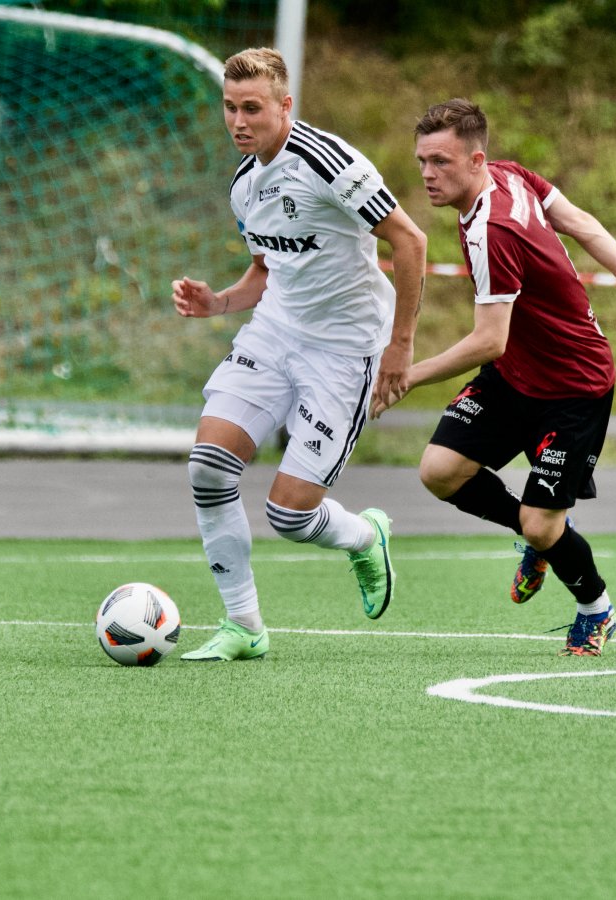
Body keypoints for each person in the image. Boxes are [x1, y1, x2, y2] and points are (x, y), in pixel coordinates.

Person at [377, 98, 616, 656]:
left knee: (543, 526)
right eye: (422, 160)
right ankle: (535, 534)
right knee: (440, 471)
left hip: (574, 385)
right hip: (516, 375)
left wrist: (407, 375)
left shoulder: (494, 230)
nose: (427, 173)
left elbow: (488, 338)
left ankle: (596, 608)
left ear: (475, 159)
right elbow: (582, 224)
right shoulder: (510, 175)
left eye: (440, 161)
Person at [170, 47, 427, 661]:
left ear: (285, 106)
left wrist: (400, 348)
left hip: (345, 351)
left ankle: (365, 535)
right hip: (276, 333)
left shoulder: (326, 161)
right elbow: (268, 267)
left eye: (252, 108)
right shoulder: (243, 184)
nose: (239, 121)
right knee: (208, 467)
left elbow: (409, 239)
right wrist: (220, 303)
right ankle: (244, 627)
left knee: (289, 516)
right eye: (230, 108)